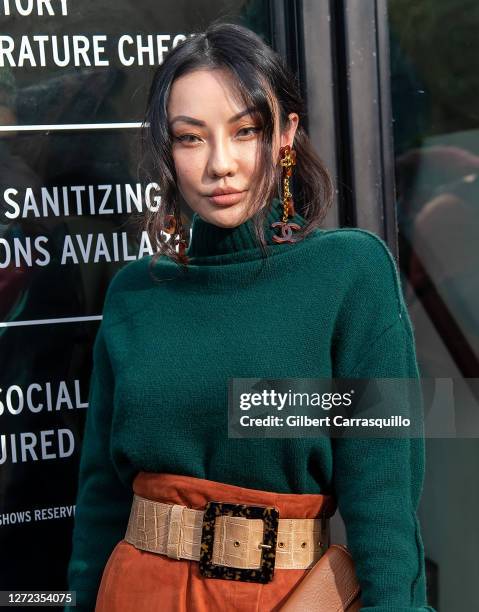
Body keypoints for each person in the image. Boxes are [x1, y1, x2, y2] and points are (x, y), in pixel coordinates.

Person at [66, 22, 435, 612]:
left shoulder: (350, 275)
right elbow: (101, 500)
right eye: (191, 138)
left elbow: (383, 506)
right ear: (167, 149)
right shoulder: (136, 293)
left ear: (286, 134)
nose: (222, 164)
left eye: (246, 131)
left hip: (282, 597)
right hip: (132, 592)